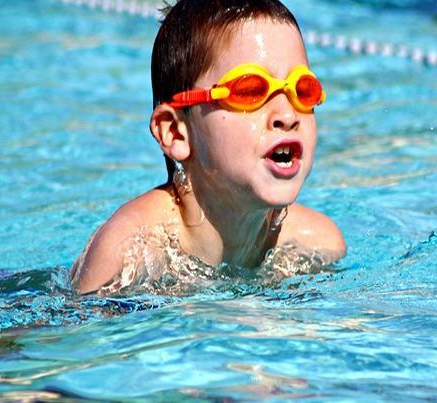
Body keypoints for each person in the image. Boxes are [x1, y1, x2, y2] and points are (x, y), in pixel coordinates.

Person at [70, 0, 346, 295]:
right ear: (176, 132)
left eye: (303, 90)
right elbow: (68, 336)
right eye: (250, 90)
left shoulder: (318, 244)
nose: (288, 116)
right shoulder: (129, 252)